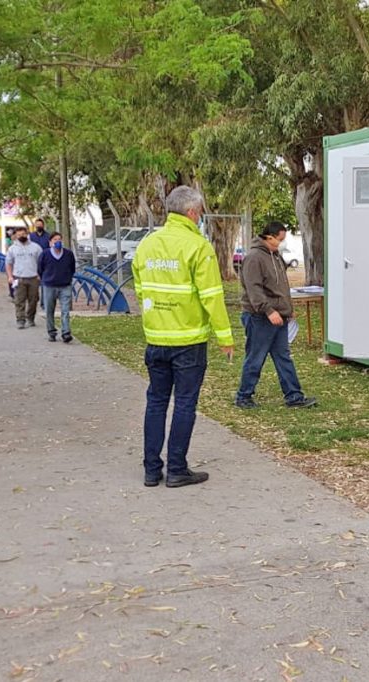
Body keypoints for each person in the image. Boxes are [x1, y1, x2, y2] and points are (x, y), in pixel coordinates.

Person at [132, 186, 233, 489]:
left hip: (156, 339)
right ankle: (177, 469)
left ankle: (152, 470)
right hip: (188, 341)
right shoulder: (198, 247)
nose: (200, 216)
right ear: (192, 212)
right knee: (185, 403)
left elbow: (140, 289)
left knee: (156, 402)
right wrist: (225, 337)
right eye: (200, 212)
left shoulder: (147, 245)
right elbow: (212, 296)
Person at [235, 222, 316, 409]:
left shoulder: (275, 256)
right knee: (255, 358)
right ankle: (243, 396)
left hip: (279, 317)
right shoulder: (254, 258)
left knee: (283, 357)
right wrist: (268, 310)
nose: (280, 244)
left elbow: (281, 286)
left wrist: (287, 309)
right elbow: (254, 289)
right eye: (279, 240)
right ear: (268, 237)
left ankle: (294, 396)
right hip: (260, 317)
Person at [38, 231, 76, 343]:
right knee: (49, 310)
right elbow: (40, 269)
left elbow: (72, 268)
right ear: (50, 242)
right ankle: (51, 332)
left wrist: (67, 278)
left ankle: (66, 332)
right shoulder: (45, 254)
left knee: (65, 310)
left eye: (59, 239)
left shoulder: (68, 254)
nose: (57, 241)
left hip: (65, 285)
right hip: (49, 285)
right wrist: (45, 279)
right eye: (55, 240)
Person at [6, 226, 43, 329]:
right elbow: (9, 263)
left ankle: (30, 318)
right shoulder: (12, 249)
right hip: (19, 278)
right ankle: (20, 320)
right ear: (16, 236)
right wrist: (10, 276)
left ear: (27, 234)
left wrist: (40, 274)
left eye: (23, 234)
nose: (21, 236)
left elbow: (41, 262)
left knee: (33, 300)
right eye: (19, 235)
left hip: (33, 278)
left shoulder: (36, 247)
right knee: (19, 300)